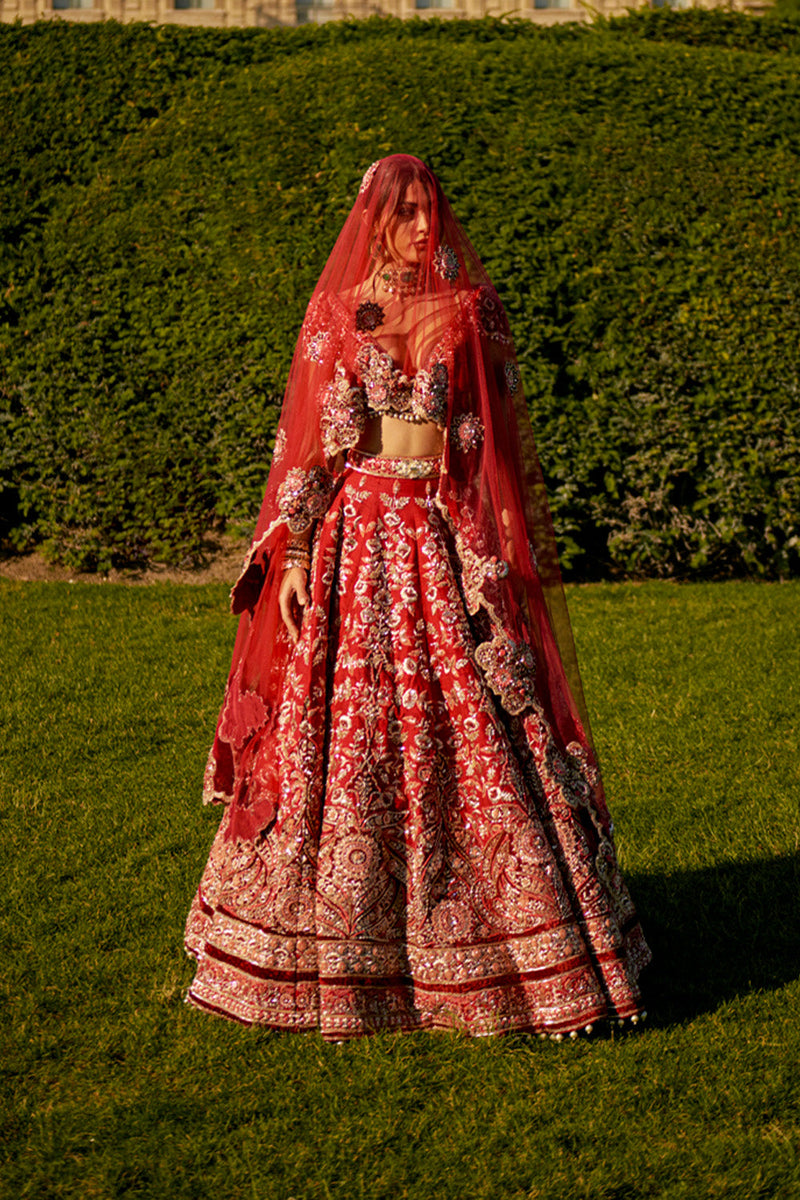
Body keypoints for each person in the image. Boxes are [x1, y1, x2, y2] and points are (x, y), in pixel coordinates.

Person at [184, 155, 651, 1041]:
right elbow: (312, 447)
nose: (421, 230)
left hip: (437, 532)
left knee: (469, 723)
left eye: (429, 213)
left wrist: (497, 551)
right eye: (402, 216)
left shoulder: (466, 313)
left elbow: (492, 452)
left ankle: (508, 930)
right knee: (349, 729)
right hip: (356, 537)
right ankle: (335, 938)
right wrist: (291, 560)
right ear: (373, 220)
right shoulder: (339, 313)